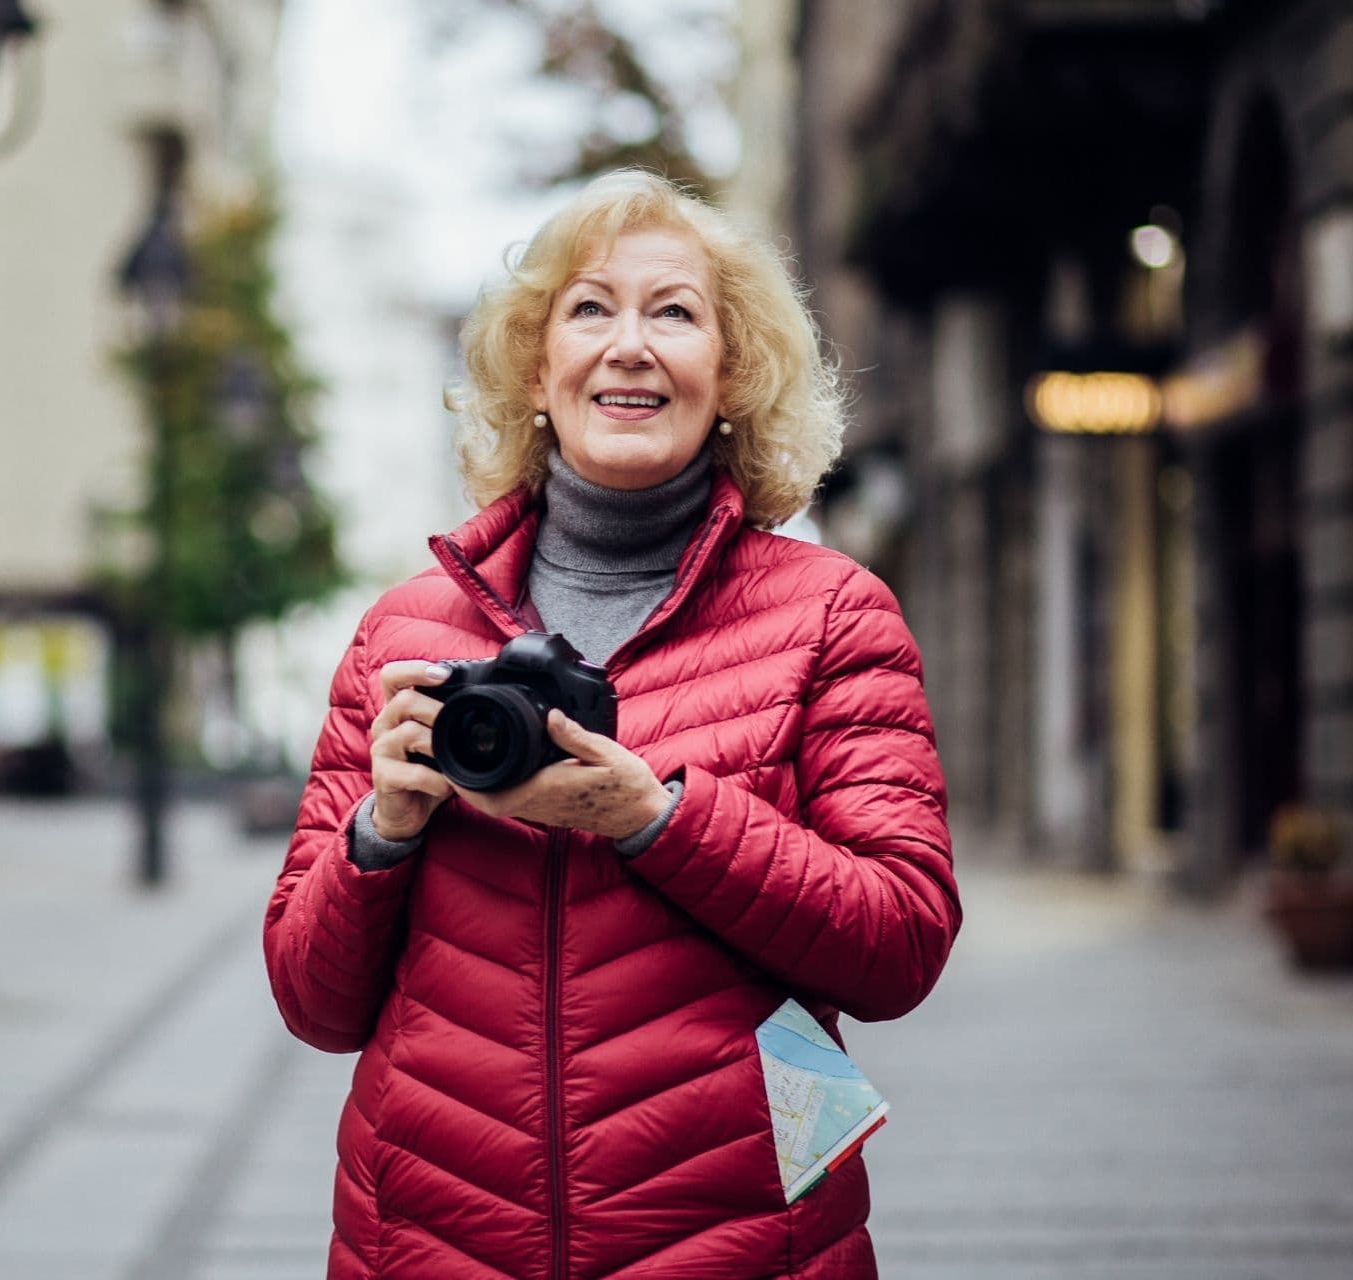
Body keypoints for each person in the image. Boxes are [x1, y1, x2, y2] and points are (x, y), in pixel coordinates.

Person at [263, 169, 960, 1279]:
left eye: (674, 312)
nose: (629, 345)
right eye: (590, 308)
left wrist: (659, 818)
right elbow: (312, 1000)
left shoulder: (830, 612)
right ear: (536, 371)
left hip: (740, 1238)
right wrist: (382, 831)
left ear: (731, 377)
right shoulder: (405, 631)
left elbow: (901, 940)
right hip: (438, 1236)